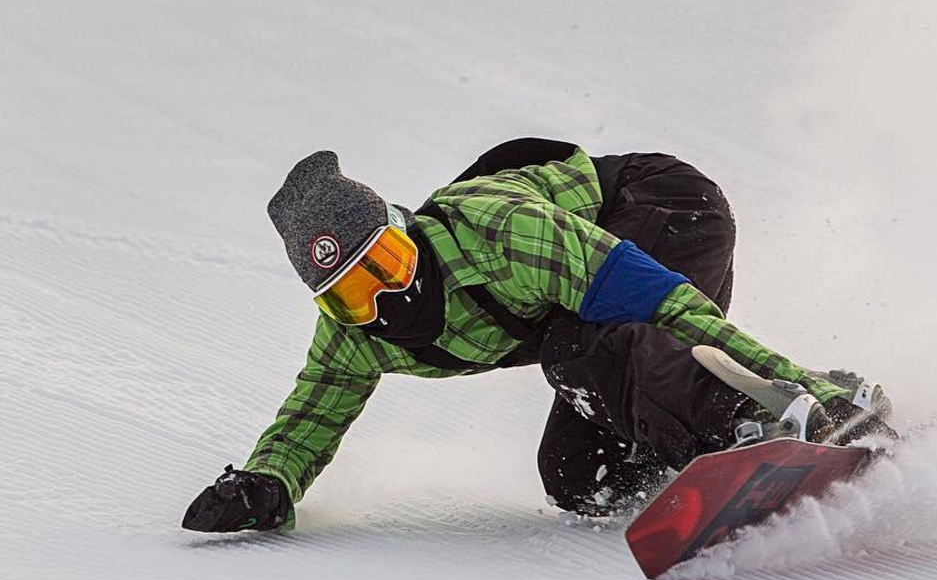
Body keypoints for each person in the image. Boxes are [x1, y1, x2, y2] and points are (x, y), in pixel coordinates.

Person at [182, 138, 892, 533]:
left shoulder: (497, 232)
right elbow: (314, 411)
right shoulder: (355, 337)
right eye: (353, 295)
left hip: (664, 210)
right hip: (586, 302)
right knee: (578, 479)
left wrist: (802, 380)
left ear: (408, 234)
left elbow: (668, 304)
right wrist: (265, 484)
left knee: (582, 349)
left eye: (389, 265)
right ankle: (709, 464)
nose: (386, 300)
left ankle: (759, 417)